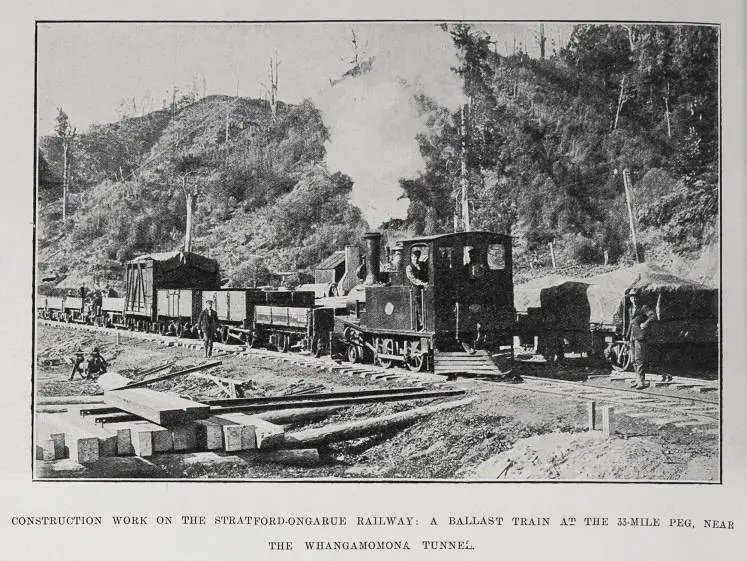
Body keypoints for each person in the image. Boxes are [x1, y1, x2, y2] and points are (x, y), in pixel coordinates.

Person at [626, 288, 658, 389]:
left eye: (635, 297)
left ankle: (642, 381)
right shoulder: (630, 309)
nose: (634, 300)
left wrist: (645, 323)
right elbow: (631, 323)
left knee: (639, 359)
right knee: (633, 360)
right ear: (630, 299)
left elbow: (653, 316)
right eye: (632, 297)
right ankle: (637, 379)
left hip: (640, 336)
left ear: (638, 298)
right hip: (632, 336)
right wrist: (627, 336)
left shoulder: (643, 308)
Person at [406, 249, 428, 331]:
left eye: (417, 257)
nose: (416, 258)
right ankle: (422, 323)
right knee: (419, 306)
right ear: (411, 257)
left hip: (424, 289)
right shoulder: (409, 268)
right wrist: (422, 283)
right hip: (416, 289)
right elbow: (413, 279)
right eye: (414, 257)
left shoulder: (421, 265)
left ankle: (426, 323)